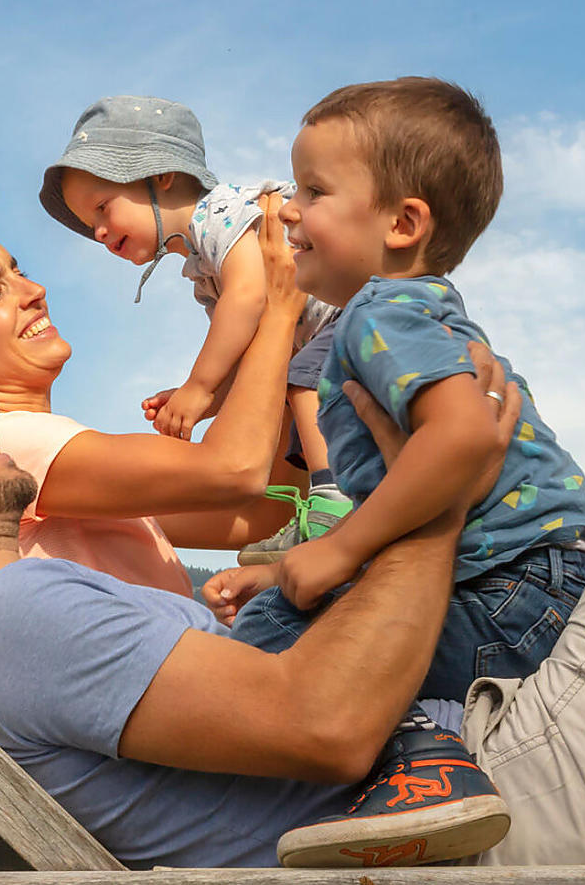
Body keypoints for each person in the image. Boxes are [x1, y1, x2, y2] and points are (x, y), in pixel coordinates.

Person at [0, 349, 585, 871]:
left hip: (482, 777)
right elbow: (329, 725)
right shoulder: (7, 616)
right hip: (500, 803)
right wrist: (435, 495)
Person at [220, 78, 585, 702]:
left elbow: (462, 438)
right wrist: (280, 574)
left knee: (274, 642)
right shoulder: (416, 313)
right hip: (535, 579)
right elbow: (416, 502)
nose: (289, 208)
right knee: (290, 613)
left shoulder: (382, 311)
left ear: (403, 223)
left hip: (512, 589)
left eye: (314, 191)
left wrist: (340, 548)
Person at [0, 199, 314, 590]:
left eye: (19, 272)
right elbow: (234, 471)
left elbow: (265, 515)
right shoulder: (1, 444)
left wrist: (289, 353)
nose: (35, 291)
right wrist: (279, 314)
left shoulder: (58, 471)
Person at [39, 95, 351, 558]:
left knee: (300, 382)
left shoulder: (219, 215)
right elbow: (249, 349)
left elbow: (250, 295)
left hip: (347, 314)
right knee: (292, 384)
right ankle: (322, 504)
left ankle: (332, 505)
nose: (99, 231)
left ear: (161, 176)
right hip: (319, 336)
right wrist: (210, 400)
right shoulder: (203, 273)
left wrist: (199, 385)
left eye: (103, 208)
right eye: (91, 224)